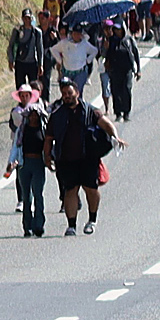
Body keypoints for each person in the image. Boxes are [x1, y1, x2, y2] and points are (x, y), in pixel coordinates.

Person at [47, 78, 113, 235]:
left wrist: (116, 137)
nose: (67, 96)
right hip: (66, 160)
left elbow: (106, 124)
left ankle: (92, 220)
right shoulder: (57, 115)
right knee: (70, 190)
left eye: (69, 93)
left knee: (91, 189)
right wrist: (47, 157)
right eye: (64, 94)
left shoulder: (90, 111)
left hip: (88, 158)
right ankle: (71, 225)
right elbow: (49, 138)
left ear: (77, 92)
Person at [9, 84, 52, 237]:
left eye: (36, 115)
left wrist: (50, 160)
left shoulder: (43, 130)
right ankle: (27, 226)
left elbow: (49, 146)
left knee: (38, 195)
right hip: (24, 165)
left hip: (38, 164)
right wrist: (11, 163)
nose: (33, 117)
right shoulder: (22, 130)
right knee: (26, 197)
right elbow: (16, 147)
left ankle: (39, 225)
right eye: (31, 115)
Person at [101, 18, 139, 119]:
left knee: (126, 89)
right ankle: (118, 112)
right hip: (114, 69)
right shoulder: (111, 40)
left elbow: (135, 53)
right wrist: (106, 48)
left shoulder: (129, 40)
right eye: (115, 29)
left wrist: (138, 70)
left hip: (127, 69)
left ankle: (126, 112)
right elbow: (105, 54)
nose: (117, 31)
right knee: (115, 90)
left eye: (119, 29)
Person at [8, 10, 49, 96]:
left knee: (34, 88)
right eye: (25, 18)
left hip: (32, 63)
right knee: (20, 88)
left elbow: (39, 49)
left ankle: (33, 104)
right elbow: (11, 46)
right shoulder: (17, 31)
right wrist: (11, 60)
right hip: (20, 62)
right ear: (22, 18)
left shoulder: (37, 32)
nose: (27, 20)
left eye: (29, 18)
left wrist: (40, 65)